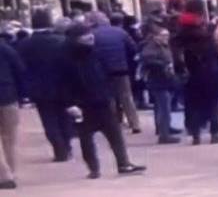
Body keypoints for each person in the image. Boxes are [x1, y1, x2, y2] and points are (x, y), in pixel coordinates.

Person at [61, 24, 146, 179]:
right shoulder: (67, 59)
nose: (90, 37)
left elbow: (105, 73)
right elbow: (62, 83)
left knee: (115, 133)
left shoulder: (95, 53)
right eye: (85, 36)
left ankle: (123, 163)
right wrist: (70, 103)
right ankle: (94, 168)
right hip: (81, 104)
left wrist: (109, 93)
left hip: (102, 100)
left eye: (90, 35)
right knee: (86, 137)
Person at [16, 9, 73, 162]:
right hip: (63, 85)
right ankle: (67, 144)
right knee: (64, 116)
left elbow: (21, 68)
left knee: (48, 119)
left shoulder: (24, 44)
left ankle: (58, 147)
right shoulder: (61, 41)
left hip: (39, 87)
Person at [173, 0, 218, 145]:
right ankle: (214, 133)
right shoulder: (206, 35)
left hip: (190, 74)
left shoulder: (179, 36)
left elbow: (175, 56)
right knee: (213, 103)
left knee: (192, 105)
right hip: (210, 73)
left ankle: (196, 134)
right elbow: (216, 55)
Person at [88, 12, 141, 134]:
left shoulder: (92, 35)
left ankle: (114, 124)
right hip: (121, 69)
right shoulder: (120, 32)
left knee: (109, 98)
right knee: (127, 97)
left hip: (103, 71)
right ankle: (135, 124)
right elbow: (133, 48)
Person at [141, 26, 180, 144]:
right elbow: (148, 60)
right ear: (156, 36)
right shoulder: (151, 47)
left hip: (166, 80)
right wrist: (163, 64)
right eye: (163, 36)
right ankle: (164, 134)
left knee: (163, 107)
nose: (166, 38)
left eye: (167, 36)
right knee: (164, 108)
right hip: (158, 81)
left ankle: (165, 128)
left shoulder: (163, 46)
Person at [0, 37, 24, 189]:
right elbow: (20, 71)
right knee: (11, 137)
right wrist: (21, 95)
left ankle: (4, 174)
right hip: (8, 96)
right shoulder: (6, 49)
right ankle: (11, 171)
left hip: (9, 95)